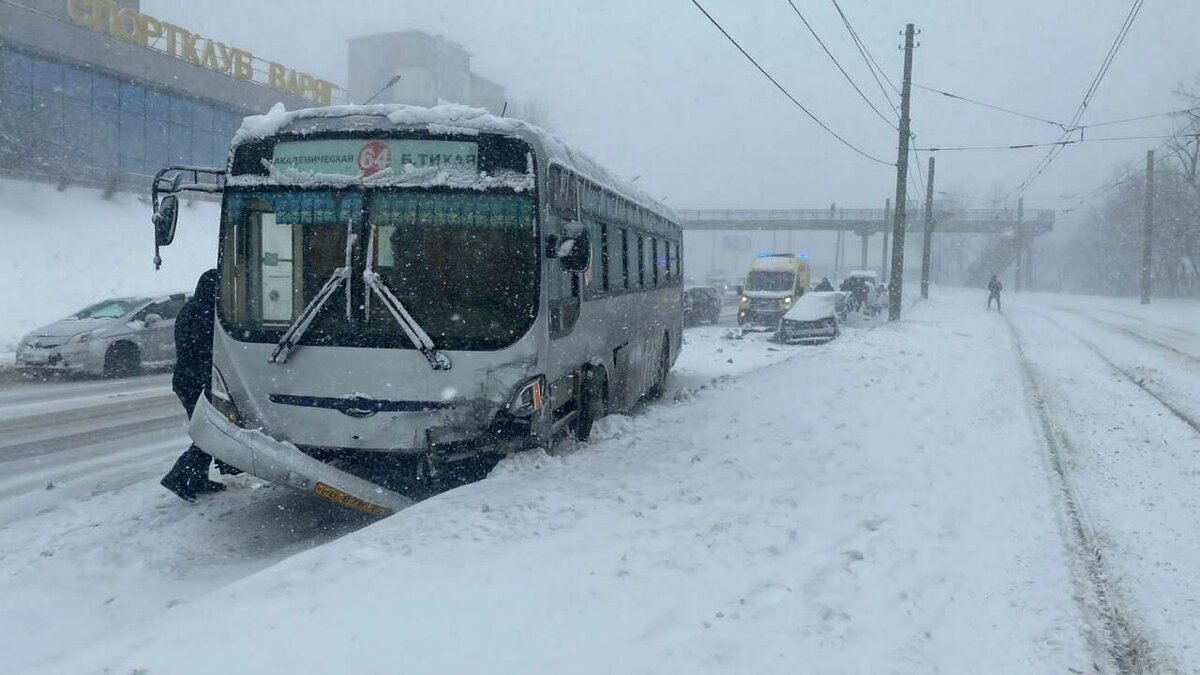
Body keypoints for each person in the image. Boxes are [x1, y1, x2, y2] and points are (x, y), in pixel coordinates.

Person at [160, 269, 229, 502]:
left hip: (188, 380)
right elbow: (207, 351)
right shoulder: (205, 312)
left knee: (208, 430)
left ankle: (197, 478)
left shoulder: (191, 310)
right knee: (211, 432)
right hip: (197, 381)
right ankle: (179, 476)